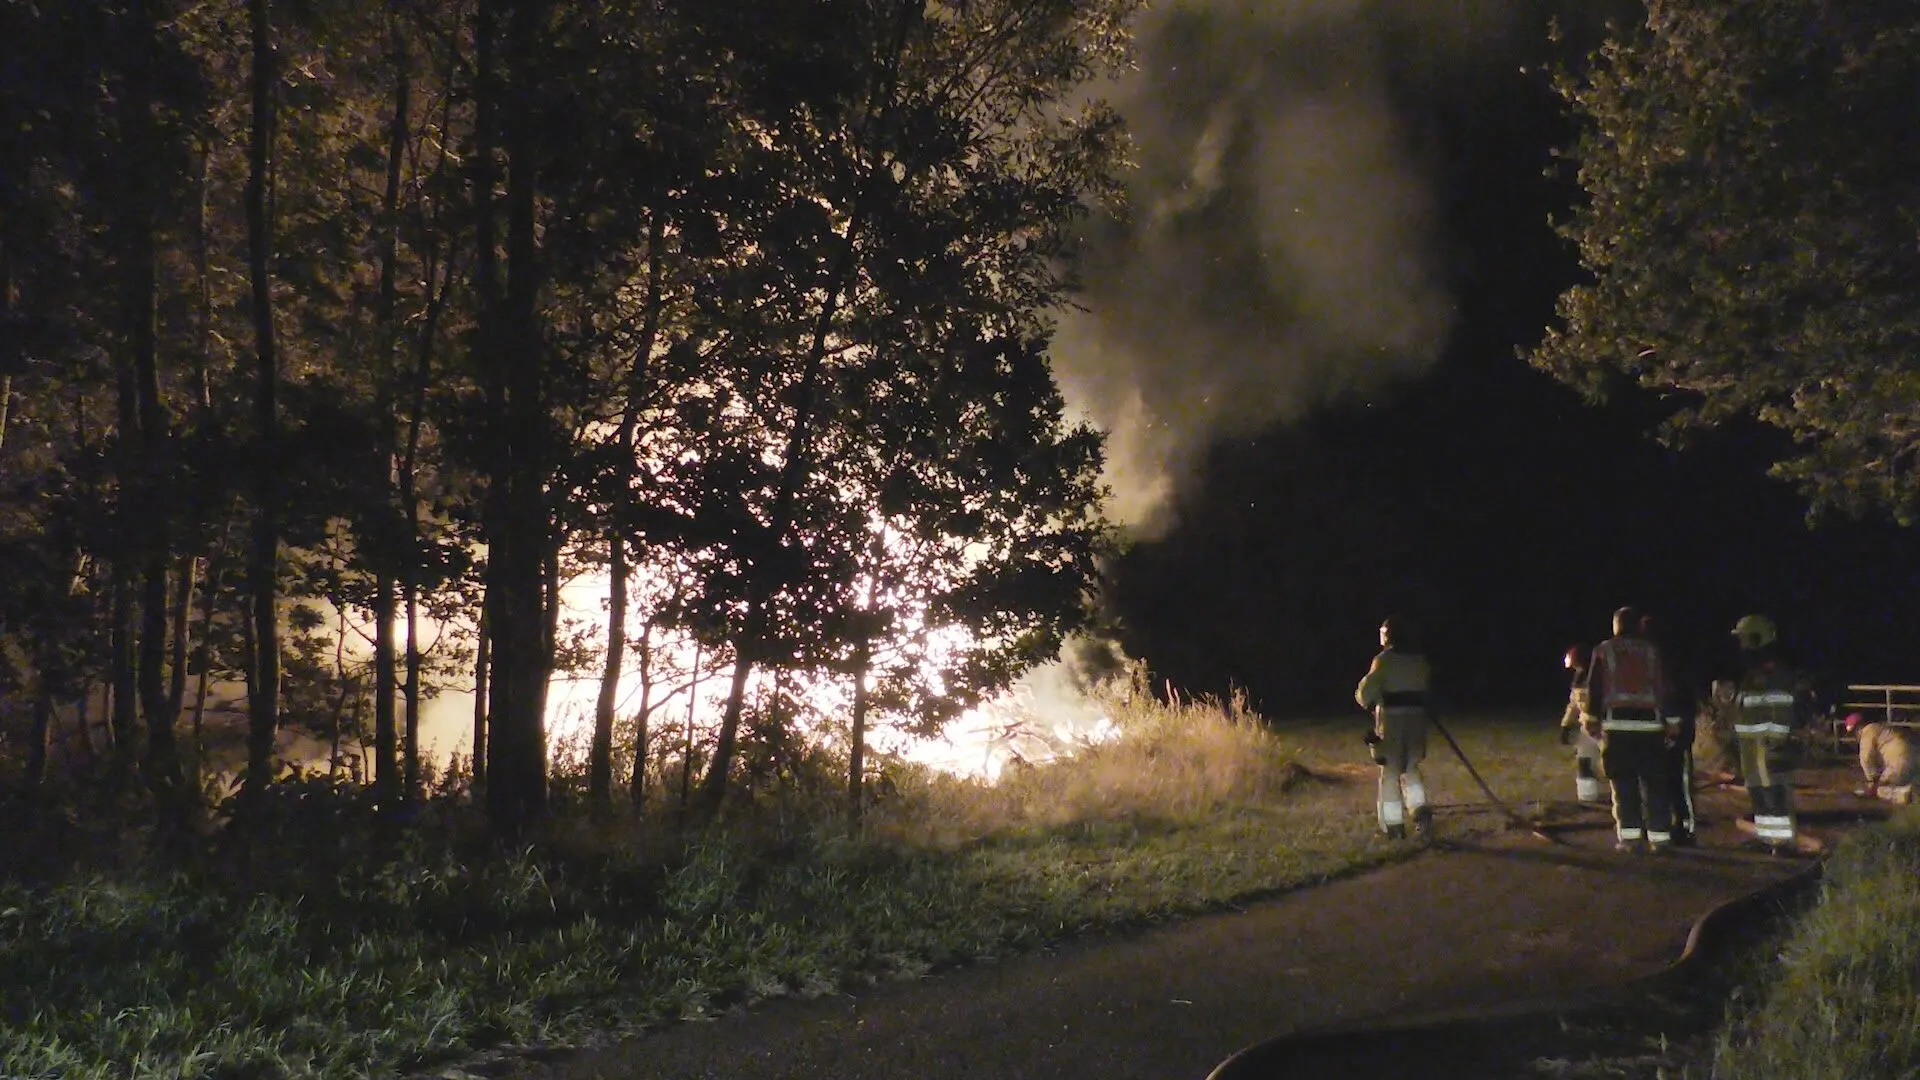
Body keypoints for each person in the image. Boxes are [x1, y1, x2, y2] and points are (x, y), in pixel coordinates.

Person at [1580, 605, 1679, 853]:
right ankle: (1660, 838)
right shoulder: (1654, 651)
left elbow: (1595, 689)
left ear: (1616, 625)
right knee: (1655, 785)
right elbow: (1666, 687)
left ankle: (1631, 839)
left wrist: (1591, 720)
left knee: (1624, 786)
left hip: (1617, 728)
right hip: (1651, 727)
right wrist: (1673, 722)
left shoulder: (1604, 650)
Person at [1727, 613, 1812, 853]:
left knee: (1774, 793)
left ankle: (1783, 842)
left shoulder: (1773, 670)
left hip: (1768, 744)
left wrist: (1777, 738)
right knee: (1758, 792)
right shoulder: (1752, 670)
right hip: (1752, 745)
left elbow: (1782, 705)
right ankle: (1767, 838)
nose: (1740, 644)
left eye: (1743, 638)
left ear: (1756, 638)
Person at [1356, 614, 1433, 840]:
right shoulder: (1420, 661)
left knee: (1390, 771)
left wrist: (1367, 699)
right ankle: (1420, 811)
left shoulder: (1384, 660)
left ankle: (1393, 826)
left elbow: (1366, 692)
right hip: (1417, 721)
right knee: (1412, 767)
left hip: (1392, 723)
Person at [1639, 613, 1698, 845]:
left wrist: (1675, 726)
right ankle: (1672, 826)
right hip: (1666, 729)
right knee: (1665, 782)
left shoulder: (1666, 660)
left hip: (1676, 730)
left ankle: (1685, 828)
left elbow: (1675, 696)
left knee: (1677, 782)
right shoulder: (1659, 659)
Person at [1558, 644, 1606, 804]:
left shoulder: (1602, 677)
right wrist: (1566, 725)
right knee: (1584, 760)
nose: (1575, 669)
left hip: (1605, 726)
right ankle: (1588, 796)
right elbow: (1574, 704)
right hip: (1588, 727)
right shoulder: (1579, 679)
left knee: (1610, 763)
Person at [1846, 711, 1917, 804]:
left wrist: (1872, 781)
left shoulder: (1867, 733)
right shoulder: (1879, 728)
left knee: (1880, 790)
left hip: (1898, 763)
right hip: (1911, 756)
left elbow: (1866, 758)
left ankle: (1904, 794)